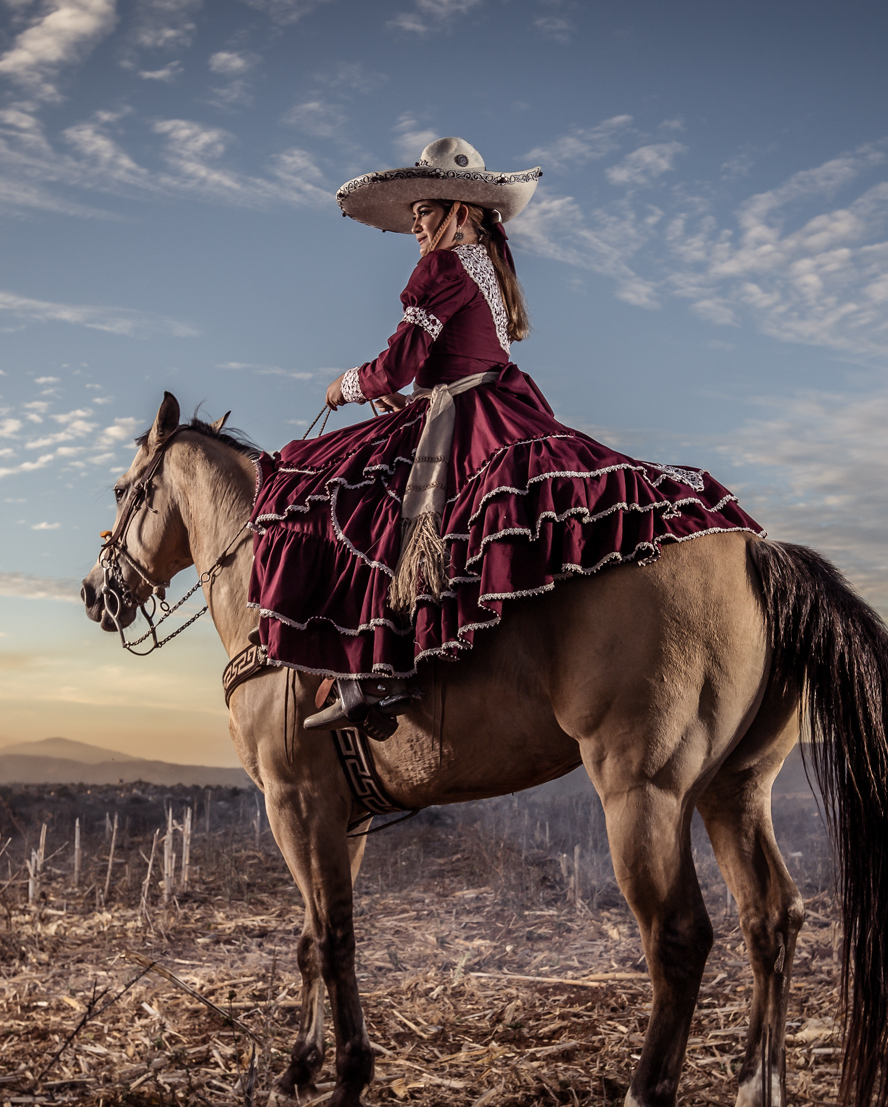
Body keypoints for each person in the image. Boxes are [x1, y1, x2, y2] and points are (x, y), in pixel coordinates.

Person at [249, 138, 765, 736]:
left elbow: (395, 367)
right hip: (488, 401)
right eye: (414, 217)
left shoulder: (442, 265)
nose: (416, 227)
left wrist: (344, 385)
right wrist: (407, 395)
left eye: (424, 214)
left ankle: (370, 675)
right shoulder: (488, 266)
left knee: (325, 488)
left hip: (461, 416)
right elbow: (448, 360)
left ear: (460, 212)